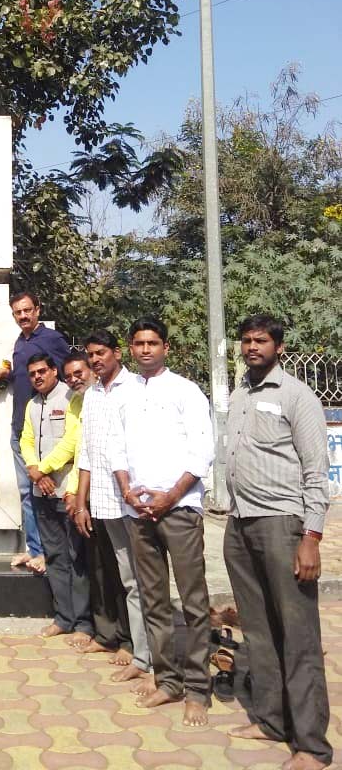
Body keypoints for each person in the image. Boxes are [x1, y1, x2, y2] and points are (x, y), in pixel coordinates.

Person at [224, 315, 332, 770]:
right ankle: (270, 719)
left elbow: (315, 471)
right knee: (259, 630)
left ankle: (311, 745)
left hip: (282, 525)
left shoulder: (296, 395)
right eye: (247, 340)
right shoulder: (239, 393)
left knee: (298, 635)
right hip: (240, 523)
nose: (252, 347)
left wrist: (310, 536)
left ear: (279, 348)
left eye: (261, 340)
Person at [112, 317, 214, 727]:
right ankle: (167, 681)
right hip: (138, 511)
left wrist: (171, 496)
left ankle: (199, 690)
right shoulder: (126, 394)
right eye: (138, 343)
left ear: (166, 348)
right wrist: (126, 490)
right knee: (153, 600)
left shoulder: (185, 391)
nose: (145, 350)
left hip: (180, 509)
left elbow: (202, 450)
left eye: (153, 343)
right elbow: (116, 448)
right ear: (131, 348)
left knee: (192, 602)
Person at [69, 332, 152, 686]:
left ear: (118, 353)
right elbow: (87, 452)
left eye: (101, 353)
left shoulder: (135, 389)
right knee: (120, 577)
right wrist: (82, 501)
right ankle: (131, 647)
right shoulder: (92, 396)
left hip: (131, 501)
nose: (96, 360)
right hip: (102, 501)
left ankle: (145, 654)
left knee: (139, 580)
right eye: (91, 355)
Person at [0, 292, 70, 573]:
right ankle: (34, 549)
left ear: (37, 310)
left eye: (27, 311)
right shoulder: (21, 342)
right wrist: (4, 374)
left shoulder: (51, 340)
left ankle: (51, 553)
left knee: (47, 492)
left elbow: (62, 375)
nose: (23, 316)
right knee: (26, 493)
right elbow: (25, 375)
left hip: (47, 429)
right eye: (18, 312)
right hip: (21, 428)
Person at [19, 354, 93, 639]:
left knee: (77, 559)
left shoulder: (71, 397)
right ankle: (63, 618)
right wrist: (35, 471)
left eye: (42, 371)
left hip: (67, 491)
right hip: (41, 491)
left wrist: (44, 469)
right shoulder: (32, 404)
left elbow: (72, 443)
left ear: (54, 372)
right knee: (55, 557)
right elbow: (26, 440)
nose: (37, 377)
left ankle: (84, 624)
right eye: (32, 373)